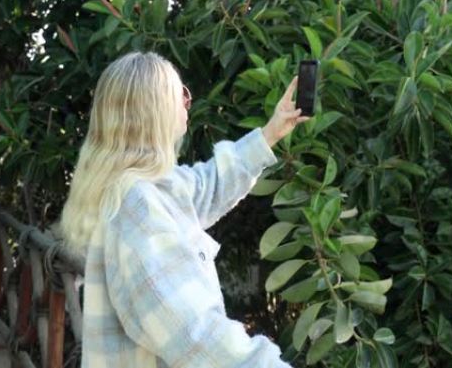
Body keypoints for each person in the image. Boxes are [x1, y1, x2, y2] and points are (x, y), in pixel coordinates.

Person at [57, 51, 310, 368]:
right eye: (180, 93)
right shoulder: (138, 206)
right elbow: (192, 335)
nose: (187, 102)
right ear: (154, 110)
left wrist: (271, 132)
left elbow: (210, 184)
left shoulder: (147, 184)